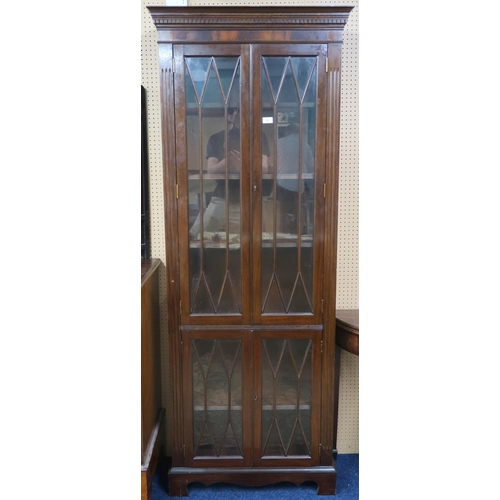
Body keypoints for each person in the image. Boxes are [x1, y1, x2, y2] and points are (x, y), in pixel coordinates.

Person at [190, 107, 270, 237]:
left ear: (237, 112)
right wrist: (227, 162)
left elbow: (264, 168)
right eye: (225, 112)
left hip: (247, 198)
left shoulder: (259, 136)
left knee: (251, 240)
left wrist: (243, 167)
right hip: (222, 197)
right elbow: (211, 171)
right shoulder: (216, 138)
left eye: (232, 112)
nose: (229, 116)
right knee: (195, 235)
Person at [276, 121, 314, 234]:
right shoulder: (305, 145)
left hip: (282, 184)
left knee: (282, 211)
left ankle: (282, 233)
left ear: (287, 132)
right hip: (299, 185)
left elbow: (272, 164)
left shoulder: (279, 142)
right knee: (298, 210)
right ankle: (297, 233)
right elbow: (311, 166)